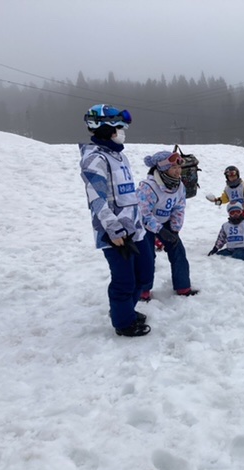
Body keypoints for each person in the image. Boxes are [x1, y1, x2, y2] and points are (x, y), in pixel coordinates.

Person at [79, 104, 152, 337]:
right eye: (119, 128)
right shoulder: (94, 159)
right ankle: (123, 322)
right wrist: (113, 229)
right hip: (115, 234)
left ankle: (125, 310)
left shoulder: (119, 156)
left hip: (136, 228)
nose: (123, 132)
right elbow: (97, 198)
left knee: (144, 275)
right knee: (124, 281)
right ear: (105, 129)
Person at [137, 150, 199, 302]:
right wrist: (160, 230)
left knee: (178, 250)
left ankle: (183, 286)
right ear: (163, 169)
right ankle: (143, 290)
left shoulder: (179, 186)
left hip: (166, 222)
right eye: (174, 168)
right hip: (145, 225)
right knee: (146, 256)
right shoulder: (148, 187)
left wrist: (175, 229)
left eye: (179, 168)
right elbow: (143, 213)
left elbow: (179, 207)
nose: (178, 171)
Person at [206, 165, 244, 241]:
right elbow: (225, 198)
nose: (232, 178)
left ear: (237, 175)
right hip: (234, 208)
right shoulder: (227, 189)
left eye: (234, 176)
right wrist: (217, 200)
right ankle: (240, 234)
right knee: (235, 221)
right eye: (230, 177)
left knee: (243, 220)